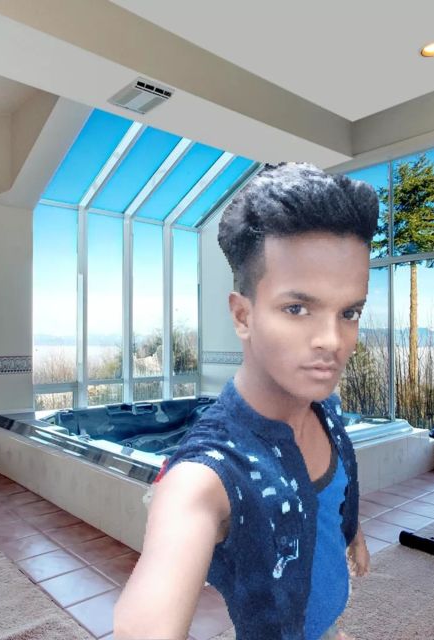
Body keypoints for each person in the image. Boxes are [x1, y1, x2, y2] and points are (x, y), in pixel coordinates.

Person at [114, 162, 378, 640]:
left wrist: (352, 531)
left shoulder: (325, 406)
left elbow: (333, 494)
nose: (332, 340)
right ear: (242, 315)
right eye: (297, 308)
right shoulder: (206, 475)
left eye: (349, 312)